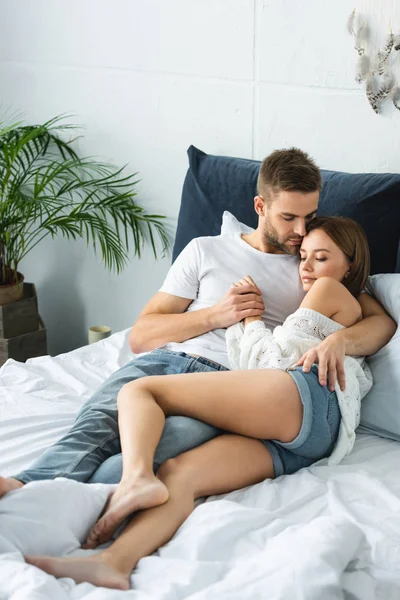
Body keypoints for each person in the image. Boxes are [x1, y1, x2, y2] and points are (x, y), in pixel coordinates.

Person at [0, 148, 395, 501]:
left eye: (308, 216)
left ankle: (59, 505)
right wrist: (216, 316)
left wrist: (340, 342)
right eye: (288, 217)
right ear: (260, 206)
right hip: (163, 363)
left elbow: (381, 324)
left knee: (159, 449)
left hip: (224, 383)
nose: (299, 231)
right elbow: (141, 335)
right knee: (97, 425)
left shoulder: (312, 263)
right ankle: (25, 487)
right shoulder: (206, 250)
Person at [24, 216, 375, 590]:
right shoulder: (357, 307)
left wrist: (252, 318)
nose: (305, 267)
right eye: (303, 256)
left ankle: (136, 478)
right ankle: (114, 562)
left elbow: (271, 363)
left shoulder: (326, 290)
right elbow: (374, 324)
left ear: (350, 264)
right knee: (180, 475)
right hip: (311, 438)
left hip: (304, 395)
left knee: (141, 391)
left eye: (319, 258)